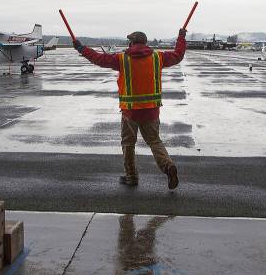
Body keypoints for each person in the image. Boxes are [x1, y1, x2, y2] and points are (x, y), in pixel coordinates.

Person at [74, 28, 188, 189]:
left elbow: (99, 59)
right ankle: (168, 166)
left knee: (128, 144)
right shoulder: (158, 57)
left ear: (132, 43)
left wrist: (81, 48)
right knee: (155, 141)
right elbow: (178, 54)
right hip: (152, 110)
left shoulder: (122, 58)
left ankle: (132, 177)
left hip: (130, 111)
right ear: (145, 43)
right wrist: (181, 37)